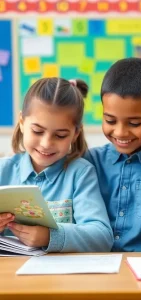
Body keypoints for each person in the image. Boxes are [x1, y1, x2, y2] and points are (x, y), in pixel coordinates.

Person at [0, 78, 113, 252]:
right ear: (22, 123)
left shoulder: (80, 173)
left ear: (75, 134)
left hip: (61, 276)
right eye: (37, 131)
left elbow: (102, 236)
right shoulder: (3, 170)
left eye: (60, 135)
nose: (46, 144)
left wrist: (50, 236)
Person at [84, 58, 141, 251]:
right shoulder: (90, 161)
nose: (121, 132)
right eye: (110, 120)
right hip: (97, 264)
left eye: (134, 123)